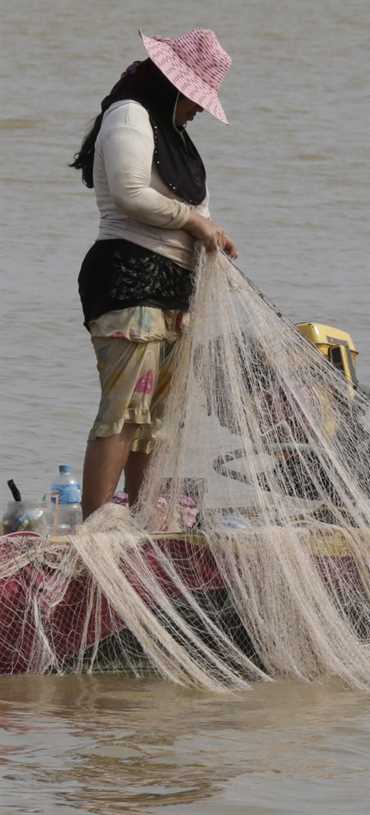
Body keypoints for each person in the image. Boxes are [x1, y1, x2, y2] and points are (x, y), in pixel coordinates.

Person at [70, 29, 237, 518]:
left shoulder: (172, 133)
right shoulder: (129, 116)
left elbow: (186, 207)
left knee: (156, 422)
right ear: (173, 83)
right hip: (129, 276)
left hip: (171, 286)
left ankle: (144, 524)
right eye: (197, 97)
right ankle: (96, 529)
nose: (201, 109)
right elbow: (129, 193)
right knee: (125, 410)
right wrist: (194, 222)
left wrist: (211, 233)